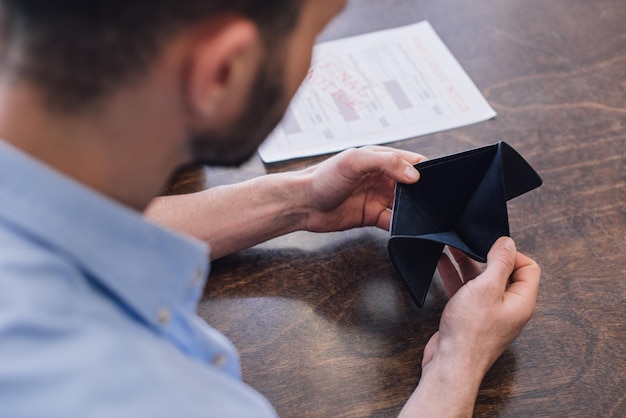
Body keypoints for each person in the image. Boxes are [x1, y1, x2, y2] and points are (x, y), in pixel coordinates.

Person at [0, 0, 540, 416]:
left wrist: (297, 199)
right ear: (223, 72)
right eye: (315, 36)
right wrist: (457, 363)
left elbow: (65, 223)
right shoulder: (147, 395)